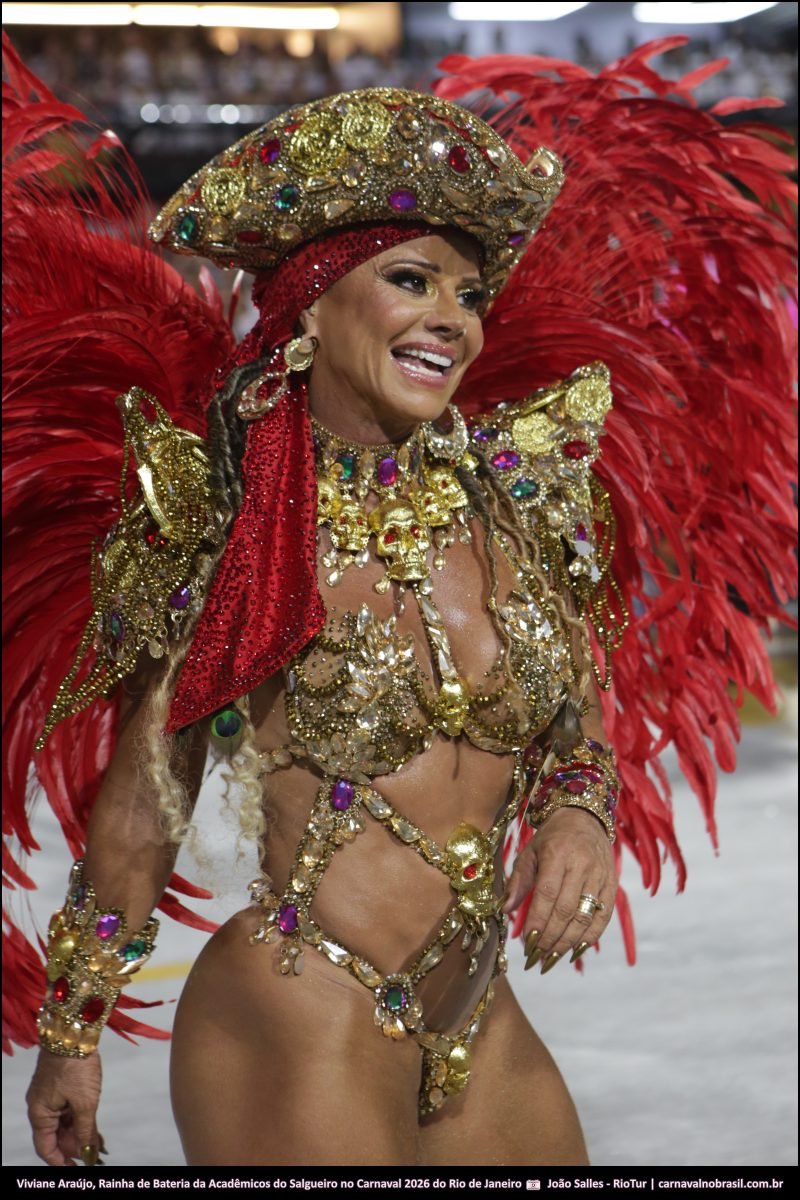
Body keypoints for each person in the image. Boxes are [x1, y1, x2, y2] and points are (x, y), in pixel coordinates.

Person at [4, 39, 796, 1169]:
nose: (451, 320)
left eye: (468, 293)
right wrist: (74, 1031)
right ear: (309, 313)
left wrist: (580, 807)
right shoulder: (234, 527)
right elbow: (145, 802)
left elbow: (576, 719)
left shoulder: (516, 504)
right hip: (296, 1007)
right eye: (410, 280)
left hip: (475, 1012)